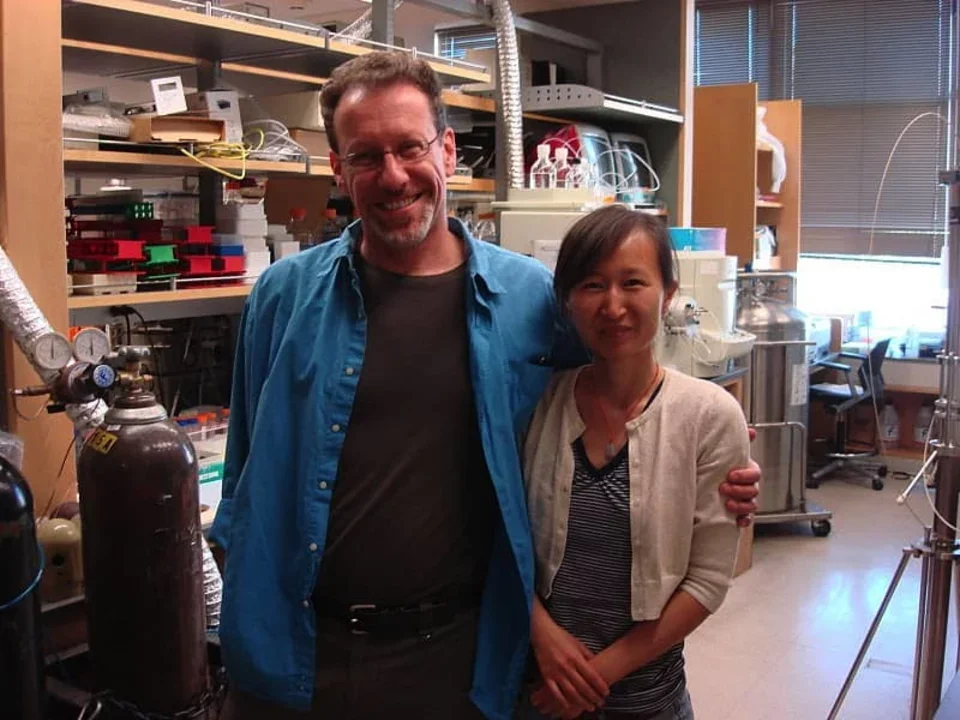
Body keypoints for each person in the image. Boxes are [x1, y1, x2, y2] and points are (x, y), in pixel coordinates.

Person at [210, 51, 760, 720]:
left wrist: (710, 452)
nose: (393, 176)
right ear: (337, 168)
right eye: (365, 156)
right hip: (297, 655)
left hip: (458, 657)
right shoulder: (281, 297)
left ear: (446, 151)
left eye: (410, 147)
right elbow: (241, 483)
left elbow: (611, 390)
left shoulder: (528, 301)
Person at [521, 206, 749, 720]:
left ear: (668, 293)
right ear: (568, 301)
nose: (613, 305)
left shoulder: (709, 415)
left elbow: (709, 578)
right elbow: (501, 537)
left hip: (647, 701)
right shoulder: (539, 403)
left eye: (633, 283)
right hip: (537, 691)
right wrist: (544, 637)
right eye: (593, 286)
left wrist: (598, 674)